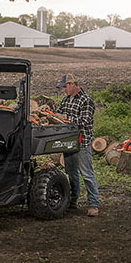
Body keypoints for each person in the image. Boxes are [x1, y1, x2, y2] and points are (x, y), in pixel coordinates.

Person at [55, 74, 100, 217]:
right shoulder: (66, 99)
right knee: (72, 174)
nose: (64, 89)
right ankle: (73, 201)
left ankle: (93, 204)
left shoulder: (86, 100)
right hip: (69, 142)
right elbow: (58, 112)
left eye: (65, 86)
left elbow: (85, 121)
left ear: (73, 84)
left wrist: (66, 118)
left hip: (82, 142)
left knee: (87, 174)